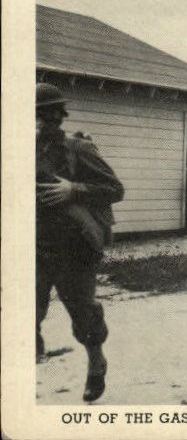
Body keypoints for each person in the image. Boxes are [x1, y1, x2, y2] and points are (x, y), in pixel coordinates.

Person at [36, 83, 124, 402]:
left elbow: (115, 189)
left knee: (82, 312)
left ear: (57, 117)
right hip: (32, 245)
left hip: (75, 246)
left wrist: (74, 189)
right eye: (32, 118)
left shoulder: (78, 148)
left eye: (44, 117)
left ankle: (96, 360)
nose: (38, 125)